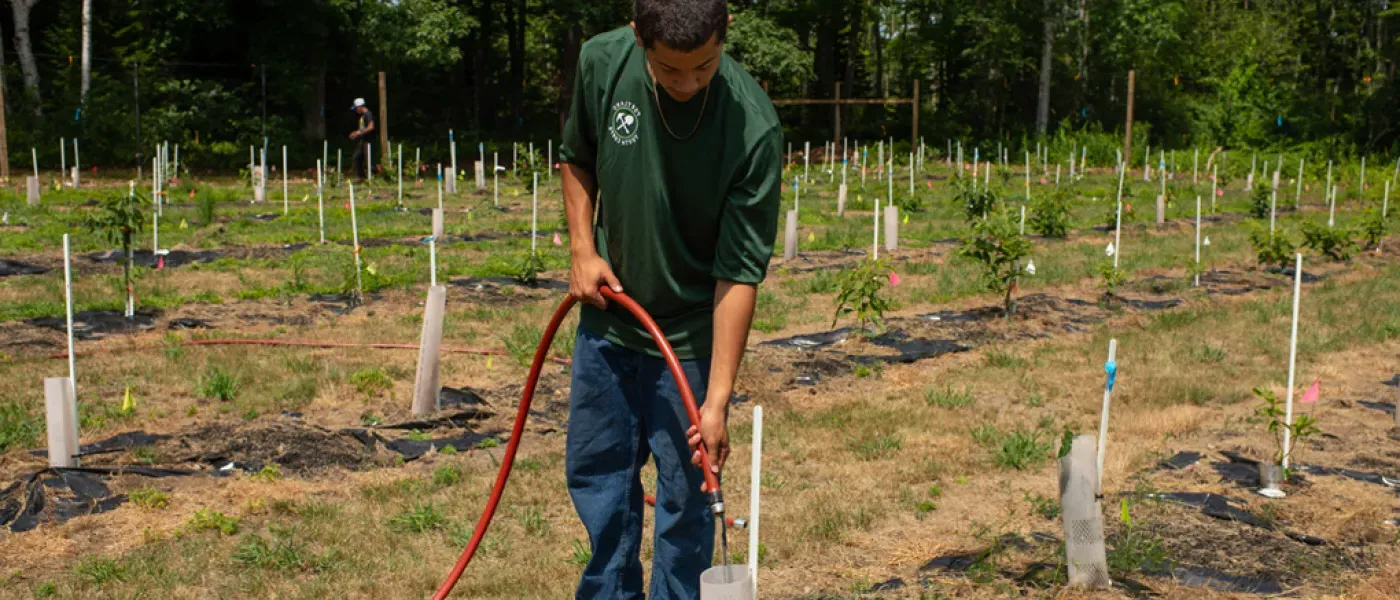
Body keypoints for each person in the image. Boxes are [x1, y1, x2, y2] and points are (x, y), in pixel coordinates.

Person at [558, 0, 781, 598]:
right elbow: (577, 158)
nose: (687, 84)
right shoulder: (602, 63)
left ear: (724, 32)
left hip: (689, 342)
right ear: (637, 38)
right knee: (600, 485)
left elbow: (737, 274)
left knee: (687, 507)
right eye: (669, 70)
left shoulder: (752, 128)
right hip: (610, 327)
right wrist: (583, 248)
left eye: (704, 67)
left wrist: (717, 401)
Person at [349, 98, 375, 181]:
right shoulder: (362, 116)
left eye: (356, 108)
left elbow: (371, 127)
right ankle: (362, 177)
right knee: (357, 158)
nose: (356, 110)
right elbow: (362, 129)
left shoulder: (368, 114)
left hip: (368, 141)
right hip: (362, 140)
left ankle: (374, 177)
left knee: (369, 161)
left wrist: (360, 133)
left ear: (360, 106)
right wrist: (355, 133)